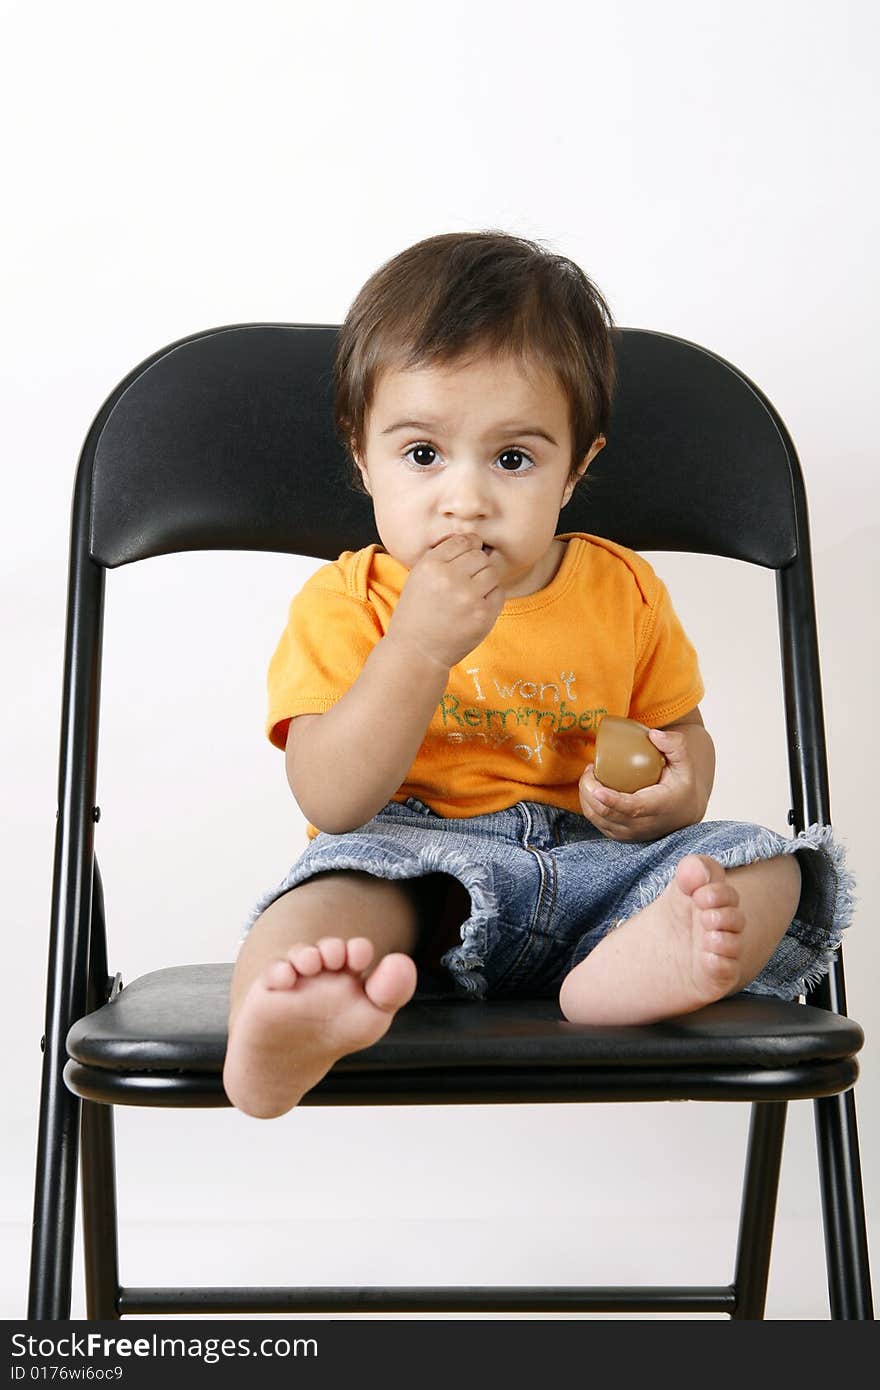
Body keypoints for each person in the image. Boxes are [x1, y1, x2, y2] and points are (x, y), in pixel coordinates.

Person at [222, 230, 855, 1119]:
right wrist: (418, 649)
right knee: (325, 900)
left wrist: (673, 797)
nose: (467, 498)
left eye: (512, 459)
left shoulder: (622, 589)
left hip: (600, 871)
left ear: (575, 468)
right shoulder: (351, 600)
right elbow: (333, 800)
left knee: (772, 866)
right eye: (422, 454)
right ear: (361, 454)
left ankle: (629, 971)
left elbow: (685, 739)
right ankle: (284, 1025)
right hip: (416, 883)